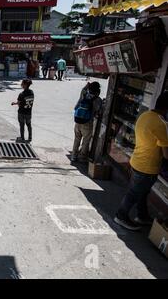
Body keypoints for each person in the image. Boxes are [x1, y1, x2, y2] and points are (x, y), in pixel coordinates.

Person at [114, 92, 168, 231]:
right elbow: (166, 154)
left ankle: (142, 216)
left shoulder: (145, 116)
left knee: (142, 192)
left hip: (137, 160)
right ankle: (121, 216)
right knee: (134, 193)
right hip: (147, 167)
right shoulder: (161, 125)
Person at [71, 82, 102, 162]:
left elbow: (83, 89)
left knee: (77, 139)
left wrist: (87, 85)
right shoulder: (98, 100)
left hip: (78, 121)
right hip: (87, 123)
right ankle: (82, 158)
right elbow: (98, 111)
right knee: (86, 141)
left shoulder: (84, 94)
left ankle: (73, 156)